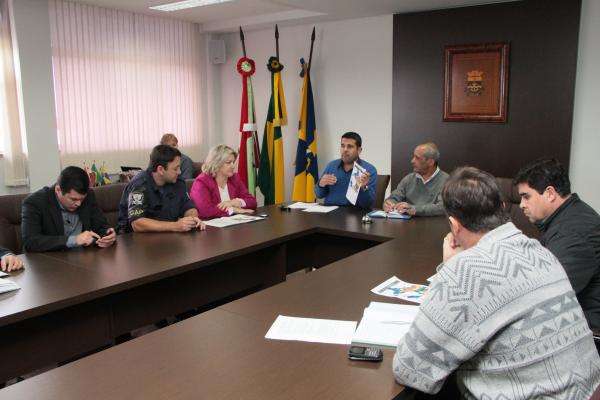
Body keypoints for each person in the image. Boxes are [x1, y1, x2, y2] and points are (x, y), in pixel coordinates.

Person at [393, 166, 600, 398]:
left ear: (454, 225)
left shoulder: (466, 272)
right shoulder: (539, 251)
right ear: (503, 209)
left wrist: (450, 268)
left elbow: (409, 369)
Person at [514, 158, 600, 330]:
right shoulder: (566, 218)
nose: (521, 205)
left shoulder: (575, 232)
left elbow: (547, 294)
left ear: (550, 193)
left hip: (585, 332)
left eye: (526, 197)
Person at [21, 166, 116, 252]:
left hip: (84, 259)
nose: (78, 204)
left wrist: (108, 235)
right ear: (58, 190)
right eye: (73, 199)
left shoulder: (89, 196)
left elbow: (101, 226)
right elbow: (31, 242)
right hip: (49, 262)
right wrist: (75, 240)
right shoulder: (35, 202)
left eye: (81, 199)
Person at [117, 144, 205, 233]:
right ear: (160, 170)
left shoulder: (178, 182)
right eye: (175, 168)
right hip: (135, 239)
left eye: (180, 167)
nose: (179, 172)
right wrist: (175, 226)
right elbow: (137, 223)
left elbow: (188, 206)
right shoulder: (139, 185)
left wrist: (192, 218)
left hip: (168, 236)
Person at [190, 145, 257, 219]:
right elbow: (206, 211)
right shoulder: (201, 182)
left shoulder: (234, 178)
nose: (233, 166)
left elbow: (253, 202)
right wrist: (233, 210)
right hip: (210, 227)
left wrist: (235, 202)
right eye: (228, 162)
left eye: (233, 162)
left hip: (233, 224)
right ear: (216, 163)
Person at [314, 132, 377, 208]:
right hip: (330, 213)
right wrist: (321, 184)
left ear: (359, 150)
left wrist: (363, 187)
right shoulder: (331, 166)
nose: (345, 150)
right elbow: (319, 195)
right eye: (342, 146)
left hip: (355, 214)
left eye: (350, 147)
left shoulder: (368, 170)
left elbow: (367, 204)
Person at [384, 142, 448, 216]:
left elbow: (442, 208)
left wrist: (415, 210)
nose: (412, 161)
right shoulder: (409, 179)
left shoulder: (447, 181)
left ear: (430, 162)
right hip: (407, 225)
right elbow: (394, 197)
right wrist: (389, 204)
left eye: (417, 158)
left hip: (433, 225)